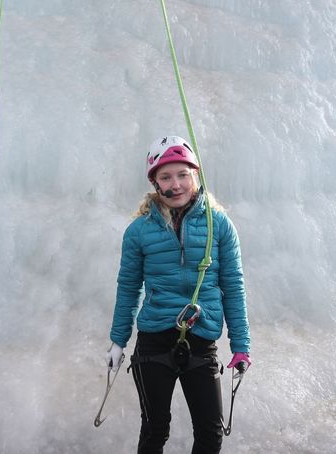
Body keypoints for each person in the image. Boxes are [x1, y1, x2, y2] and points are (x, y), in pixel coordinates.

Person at [106, 135, 251, 453]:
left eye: (183, 174)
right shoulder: (139, 231)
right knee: (155, 430)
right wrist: (118, 340)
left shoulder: (219, 226)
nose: (176, 183)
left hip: (201, 339)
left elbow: (233, 286)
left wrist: (241, 347)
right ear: (155, 183)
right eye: (166, 176)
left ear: (195, 176)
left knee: (210, 434)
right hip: (154, 342)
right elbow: (129, 289)